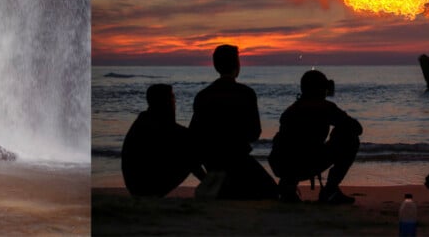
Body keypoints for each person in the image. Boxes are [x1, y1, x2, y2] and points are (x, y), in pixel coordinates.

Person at [188, 44, 278, 200]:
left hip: (212, 162)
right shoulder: (246, 93)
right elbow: (254, 133)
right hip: (238, 161)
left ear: (216, 65)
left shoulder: (203, 95)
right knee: (271, 192)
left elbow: (194, 135)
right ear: (237, 65)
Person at [268, 70, 362, 204]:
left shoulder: (290, 111)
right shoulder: (325, 107)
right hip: (304, 163)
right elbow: (357, 129)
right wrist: (338, 129)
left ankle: (288, 187)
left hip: (282, 165)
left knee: (295, 148)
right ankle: (331, 190)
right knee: (351, 138)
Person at [121, 84, 205, 197]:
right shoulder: (156, 124)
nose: (175, 101)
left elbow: (180, 135)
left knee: (189, 146)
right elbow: (186, 140)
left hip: (136, 185)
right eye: (172, 97)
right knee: (191, 151)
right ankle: (208, 183)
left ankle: (208, 182)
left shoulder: (145, 119)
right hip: (146, 186)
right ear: (165, 101)